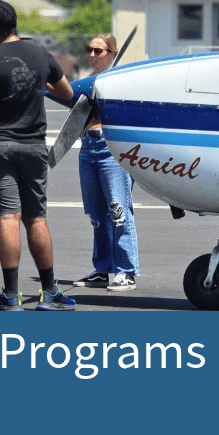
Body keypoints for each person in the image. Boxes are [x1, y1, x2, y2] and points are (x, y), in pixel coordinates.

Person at [0, 0, 74, 311]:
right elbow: (67, 93)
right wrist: (36, 84)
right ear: (14, 24)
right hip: (34, 147)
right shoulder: (41, 54)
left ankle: (11, 296)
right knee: (36, 218)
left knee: (8, 218)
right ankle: (50, 293)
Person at [72, 34, 140, 292]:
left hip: (111, 147)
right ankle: (102, 269)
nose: (91, 54)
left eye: (98, 51)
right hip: (87, 146)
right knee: (96, 214)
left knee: (118, 209)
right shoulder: (86, 84)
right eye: (89, 49)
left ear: (112, 53)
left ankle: (126, 271)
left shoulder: (122, 82)